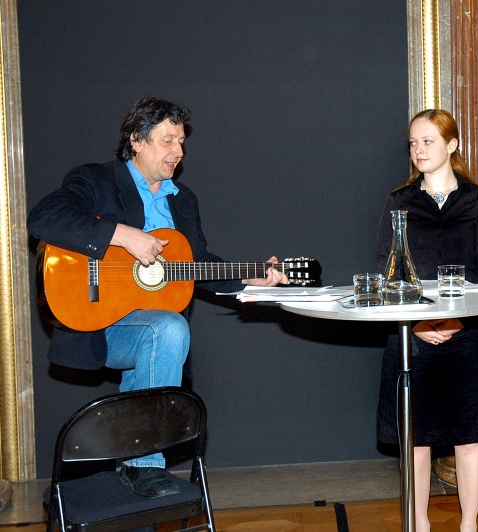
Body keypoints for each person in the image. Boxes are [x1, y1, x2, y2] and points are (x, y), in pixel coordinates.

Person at [28, 96, 288, 499]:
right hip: (97, 321)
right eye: (167, 140)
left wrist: (248, 280)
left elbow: (197, 264)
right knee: (168, 327)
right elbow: (44, 218)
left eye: (181, 142)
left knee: (165, 329)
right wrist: (123, 236)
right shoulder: (96, 179)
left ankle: (137, 467)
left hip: (148, 329)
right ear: (136, 140)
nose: (178, 152)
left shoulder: (182, 201)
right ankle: (143, 465)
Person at [376, 109, 478, 532]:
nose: (418, 151)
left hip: (465, 337)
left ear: (452, 145)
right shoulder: (399, 202)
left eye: (427, 141)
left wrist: (455, 322)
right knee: (417, 442)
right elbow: (386, 270)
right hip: (411, 336)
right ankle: (420, 525)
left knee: (470, 438)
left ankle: (469, 525)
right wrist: (416, 323)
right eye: (413, 143)